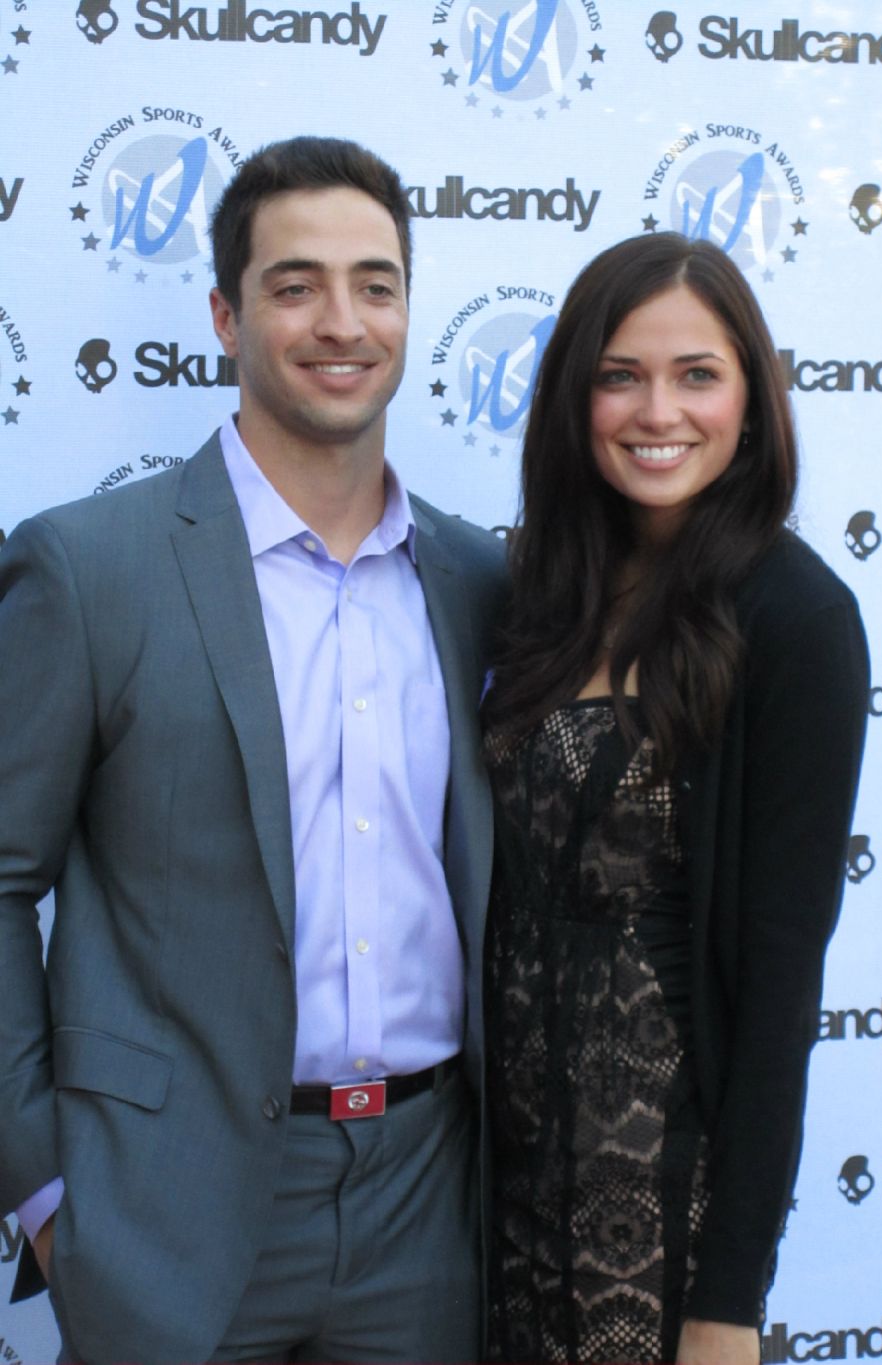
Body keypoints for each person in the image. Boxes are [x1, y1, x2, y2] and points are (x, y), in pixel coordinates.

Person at [0, 136, 505, 1364]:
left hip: (427, 1205)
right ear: (226, 316)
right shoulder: (90, 567)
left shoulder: (483, 581)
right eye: (296, 286)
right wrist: (47, 1195)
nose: (342, 321)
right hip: (165, 1210)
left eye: (375, 284)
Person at [482, 232, 868, 1365]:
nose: (658, 410)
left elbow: (779, 987)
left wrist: (728, 1303)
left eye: (696, 373)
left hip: (663, 1226)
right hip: (497, 1209)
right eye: (620, 375)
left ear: (750, 397)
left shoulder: (797, 621)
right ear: (574, 398)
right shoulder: (535, 596)